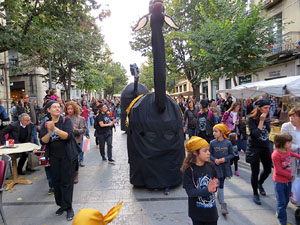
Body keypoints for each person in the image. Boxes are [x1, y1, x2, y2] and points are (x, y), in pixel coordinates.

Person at [40, 101, 76, 221]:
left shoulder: (66, 121)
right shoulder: (45, 123)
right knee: (56, 182)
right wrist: (50, 131)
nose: (57, 108)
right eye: (54, 107)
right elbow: (43, 141)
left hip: (67, 156)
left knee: (67, 182)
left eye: (58, 107)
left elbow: (68, 136)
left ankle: (69, 207)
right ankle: (61, 205)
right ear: (48, 110)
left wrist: (54, 128)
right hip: (53, 157)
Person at [181, 136, 219, 225]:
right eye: (205, 151)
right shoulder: (189, 170)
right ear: (195, 152)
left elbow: (215, 183)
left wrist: (214, 188)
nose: (209, 153)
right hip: (197, 214)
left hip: (212, 213)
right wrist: (207, 190)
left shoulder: (211, 166)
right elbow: (190, 192)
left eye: (208, 150)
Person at [246, 98, 272, 205]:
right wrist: (261, 121)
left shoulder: (267, 117)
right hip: (254, 147)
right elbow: (256, 134)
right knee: (255, 171)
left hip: (265, 146)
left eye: (269, 108)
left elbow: (268, 130)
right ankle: (255, 193)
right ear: (260, 108)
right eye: (265, 108)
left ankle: (260, 183)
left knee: (268, 169)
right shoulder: (251, 119)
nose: (267, 110)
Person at [272, 133, 300, 225]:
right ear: (282, 143)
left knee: (286, 200)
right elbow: (279, 170)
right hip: (279, 182)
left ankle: (280, 213)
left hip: (288, 181)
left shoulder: (286, 150)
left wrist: (298, 156)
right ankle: (282, 221)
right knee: (281, 201)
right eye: (289, 142)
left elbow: (290, 153)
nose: (290, 144)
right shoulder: (275, 155)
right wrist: (290, 176)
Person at [209, 124, 233, 215]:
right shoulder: (212, 143)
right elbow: (210, 154)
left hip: (224, 167)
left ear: (222, 132)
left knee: (221, 184)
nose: (213, 133)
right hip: (214, 167)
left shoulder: (228, 143)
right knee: (214, 183)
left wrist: (224, 159)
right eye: (213, 131)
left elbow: (231, 154)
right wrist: (214, 159)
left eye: (216, 131)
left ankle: (222, 202)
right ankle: (214, 199)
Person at [65, 101, 86, 183]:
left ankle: (75, 174)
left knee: (74, 158)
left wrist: (74, 130)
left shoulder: (80, 118)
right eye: (68, 109)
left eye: (71, 109)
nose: (70, 110)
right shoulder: (64, 118)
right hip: (66, 140)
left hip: (76, 141)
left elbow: (83, 130)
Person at [281, 108, 300, 178]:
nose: (291, 118)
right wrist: (297, 147)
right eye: (290, 116)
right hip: (290, 158)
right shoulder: (286, 126)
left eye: (294, 116)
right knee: (291, 180)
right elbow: (284, 143)